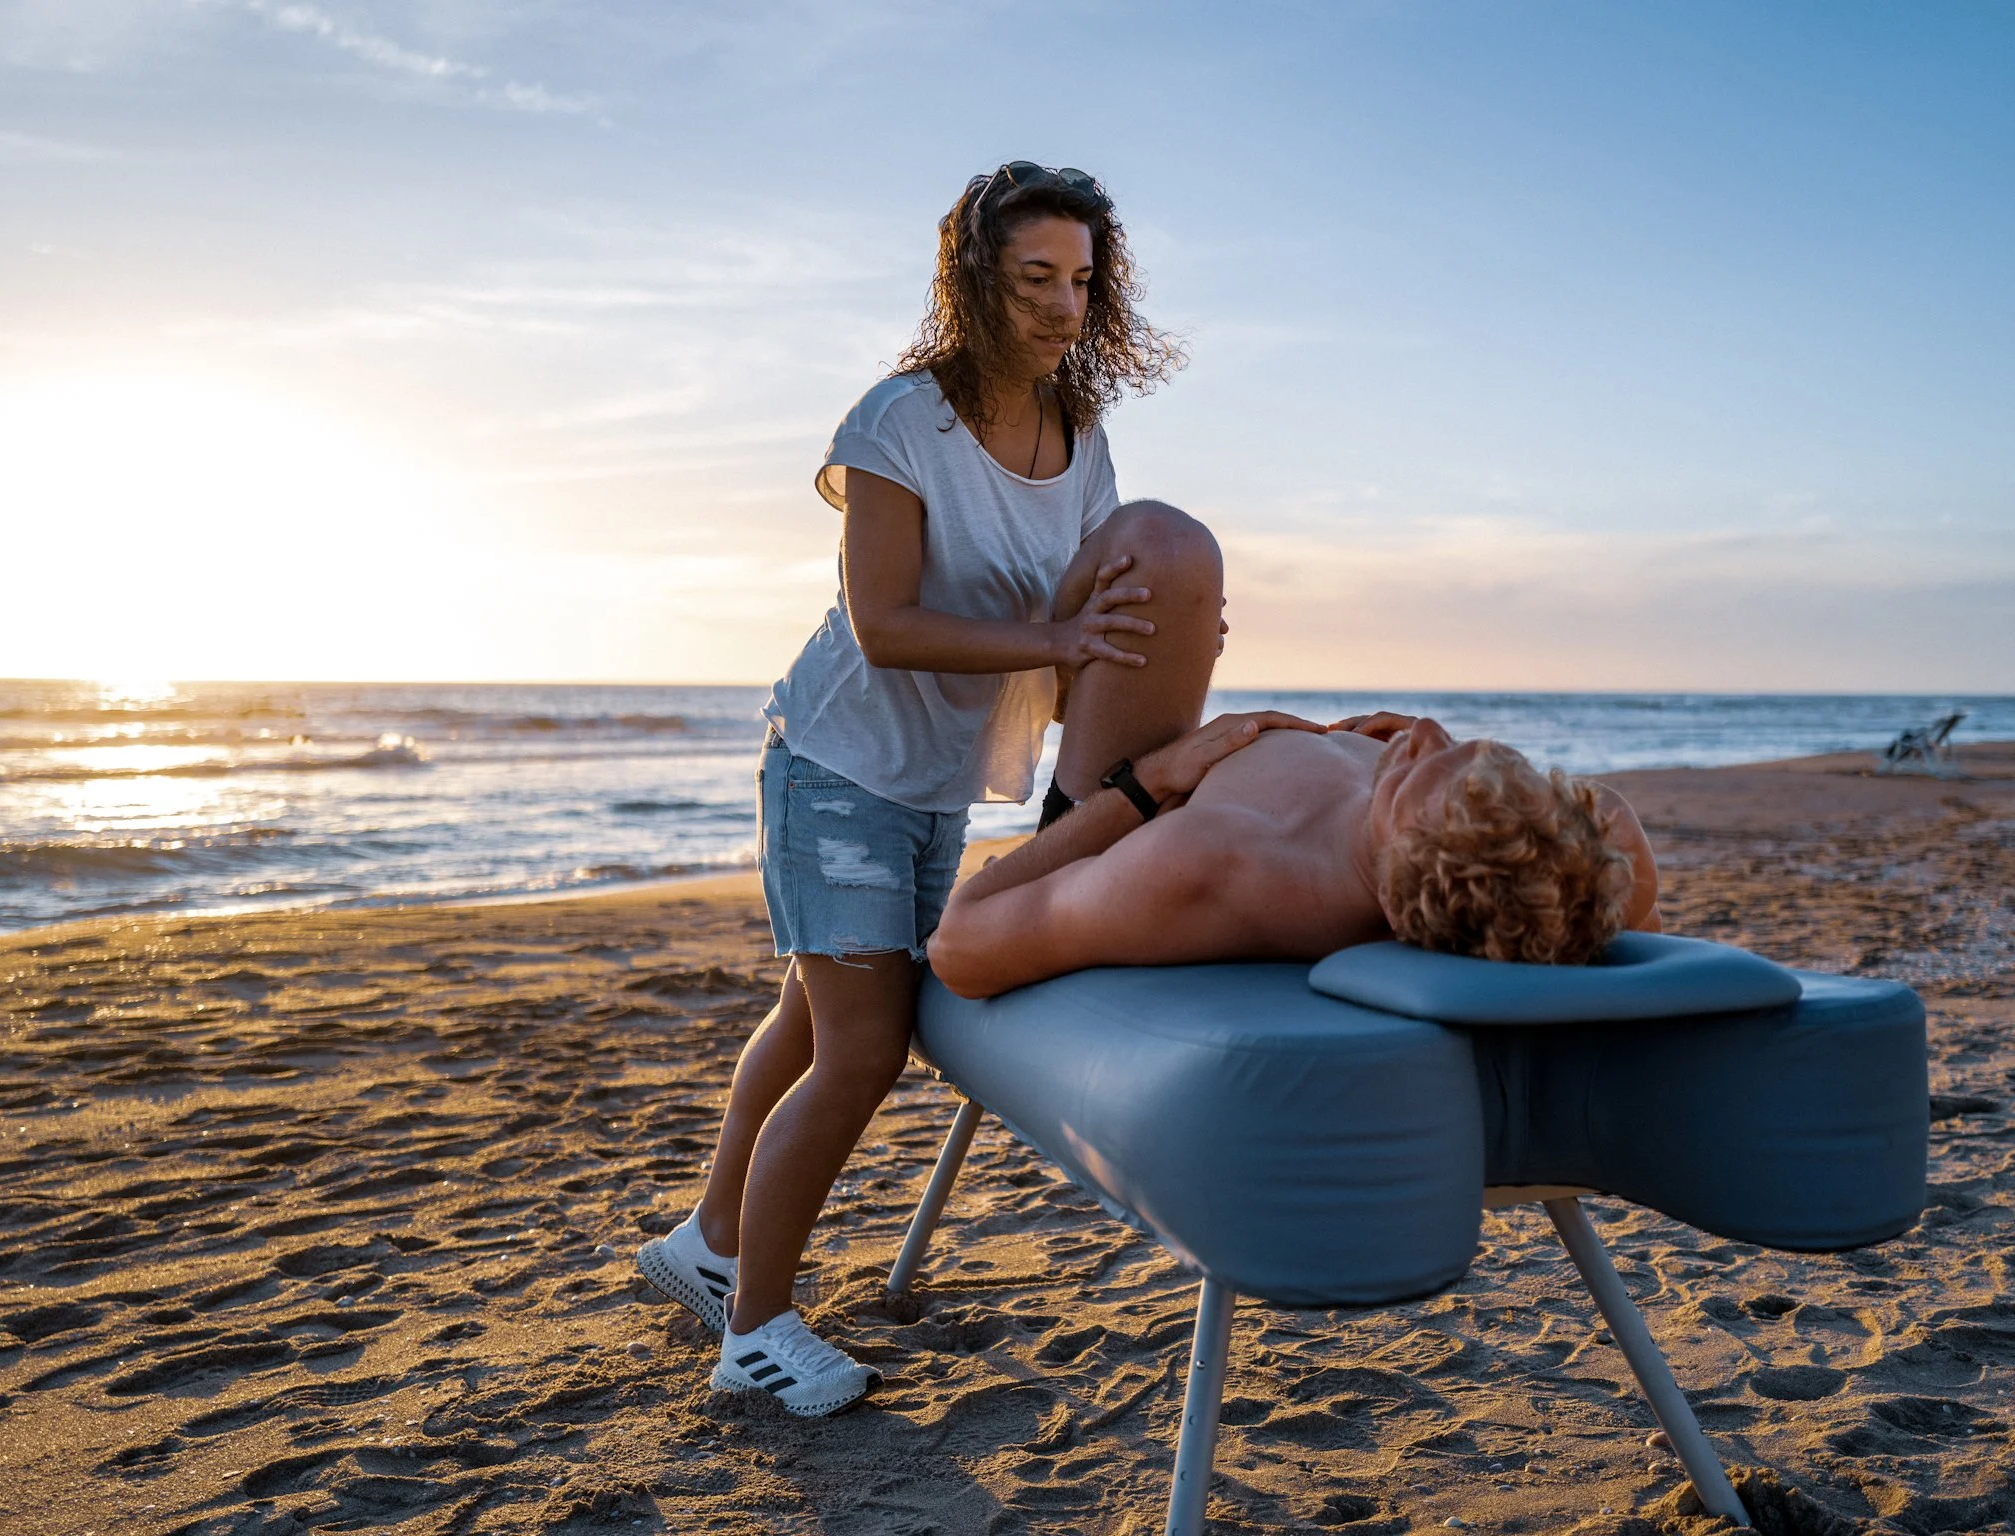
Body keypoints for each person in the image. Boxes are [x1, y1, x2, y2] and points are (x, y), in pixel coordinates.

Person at [635, 161, 1214, 1417]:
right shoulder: (898, 422)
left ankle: (708, 1243)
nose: (1061, 306)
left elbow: (1082, 628)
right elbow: (885, 623)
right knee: (862, 1048)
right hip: (836, 765)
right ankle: (753, 1330)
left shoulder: (1080, 439)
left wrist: (1157, 646)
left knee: (807, 1019)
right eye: (1032, 278)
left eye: (1080, 281)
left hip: (936, 783)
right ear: (972, 281)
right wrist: (1061, 643)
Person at [926, 705, 1663, 1001]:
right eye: (1461, 751)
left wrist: (1152, 778)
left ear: (1394, 893)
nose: (1426, 729)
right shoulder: (1584, 857)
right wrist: (1411, 770)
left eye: (1406, 778)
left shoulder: (1214, 858)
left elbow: (959, 946)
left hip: (1107, 793)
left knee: (1163, 548)